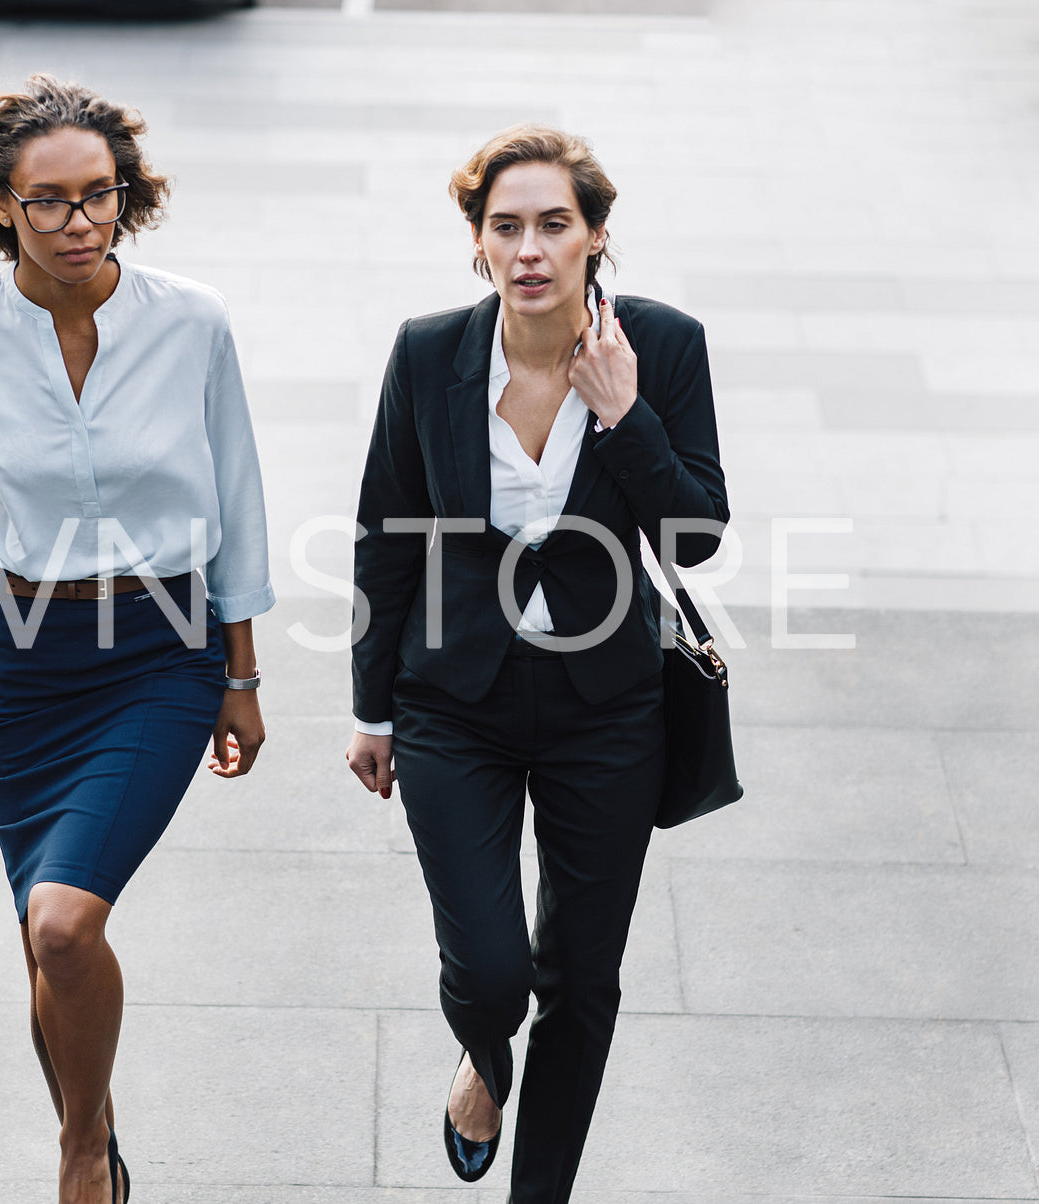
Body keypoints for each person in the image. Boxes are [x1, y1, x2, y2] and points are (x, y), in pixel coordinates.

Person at [0, 74, 274, 1204]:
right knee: (41, 939)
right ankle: (96, 1129)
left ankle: (79, 1151)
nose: (77, 223)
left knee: (62, 924)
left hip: (164, 650)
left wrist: (242, 672)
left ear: (127, 197)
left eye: (98, 196)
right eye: (48, 201)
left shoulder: (190, 322)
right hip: (24, 665)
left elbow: (238, 498)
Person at [344, 125, 729, 1202]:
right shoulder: (427, 353)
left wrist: (623, 411)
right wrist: (370, 707)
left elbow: (695, 536)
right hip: (449, 701)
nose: (529, 248)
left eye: (553, 224)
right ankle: (484, 1057)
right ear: (474, 244)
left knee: (580, 980)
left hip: (606, 708)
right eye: (504, 226)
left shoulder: (661, 345)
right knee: (492, 969)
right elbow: (386, 533)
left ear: (593, 237)